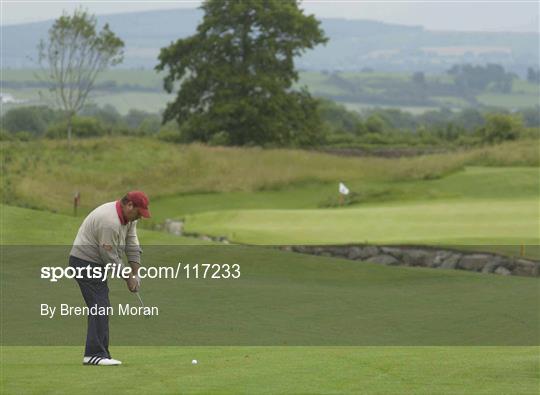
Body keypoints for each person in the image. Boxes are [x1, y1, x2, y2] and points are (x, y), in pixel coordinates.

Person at [69, 191, 151, 366]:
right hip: (84, 262)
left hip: (95, 263)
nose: (139, 218)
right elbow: (110, 258)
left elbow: (132, 242)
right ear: (129, 206)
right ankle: (94, 354)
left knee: (101, 304)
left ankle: (100, 353)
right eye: (138, 213)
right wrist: (128, 278)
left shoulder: (129, 219)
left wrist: (136, 272)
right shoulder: (110, 223)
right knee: (100, 305)